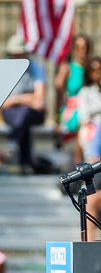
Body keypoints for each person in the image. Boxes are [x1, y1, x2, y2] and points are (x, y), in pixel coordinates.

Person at [2, 35, 46, 174]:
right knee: (23, 117)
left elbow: (39, 100)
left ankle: (13, 144)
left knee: (24, 113)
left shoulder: (36, 68)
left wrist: (14, 99)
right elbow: (3, 102)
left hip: (30, 114)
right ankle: (25, 164)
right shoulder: (4, 70)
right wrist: (26, 99)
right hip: (13, 114)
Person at [55, 34, 92, 136]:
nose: (81, 51)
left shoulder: (92, 68)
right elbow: (58, 95)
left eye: (84, 47)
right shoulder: (67, 68)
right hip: (73, 112)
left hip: (89, 109)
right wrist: (57, 119)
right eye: (78, 48)